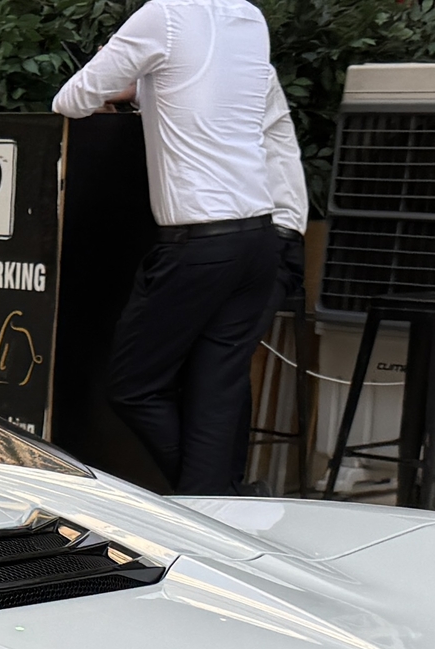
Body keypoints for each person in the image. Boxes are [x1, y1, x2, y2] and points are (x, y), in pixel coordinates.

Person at [55, 0, 307, 494]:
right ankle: (219, 504)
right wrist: (142, 89)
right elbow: (200, 98)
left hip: (198, 244)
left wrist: (127, 80)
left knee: (133, 385)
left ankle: (212, 495)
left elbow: (72, 99)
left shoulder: (162, 16)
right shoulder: (248, 19)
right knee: (215, 396)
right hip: (258, 237)